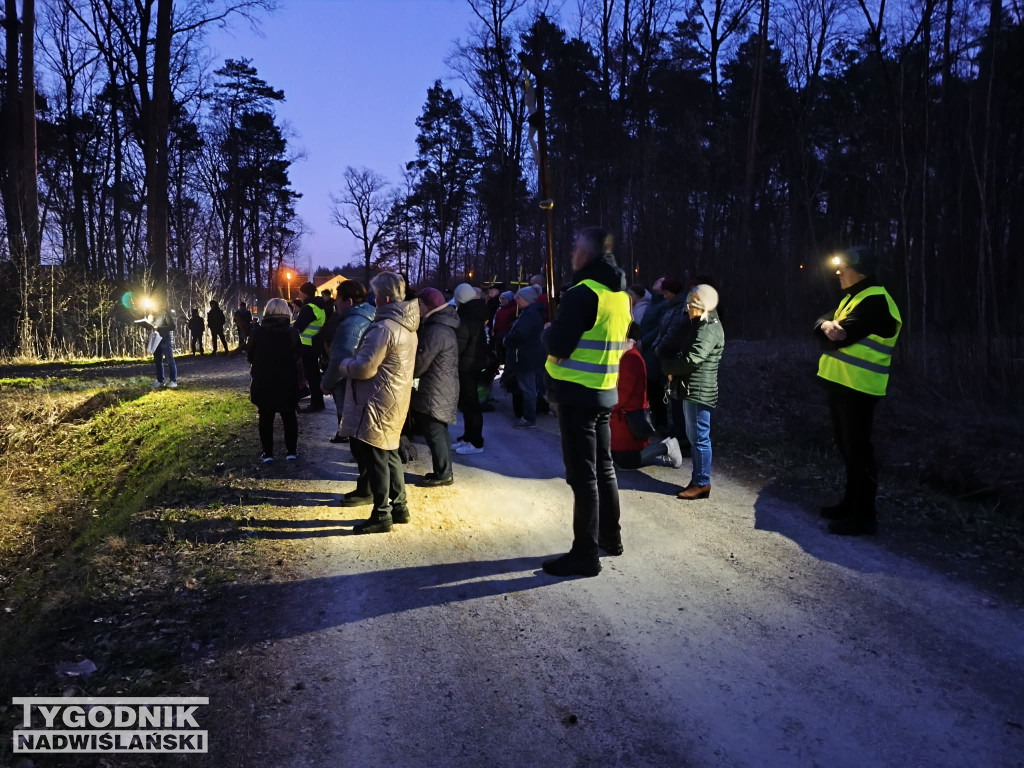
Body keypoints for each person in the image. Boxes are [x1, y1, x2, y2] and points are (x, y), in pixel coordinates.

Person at [541, 226, 633, 577]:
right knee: (604, 469)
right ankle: (611, 537)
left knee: (583, 477)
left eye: (576, 247)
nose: (572, 253)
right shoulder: (619, 296)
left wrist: (548, 332)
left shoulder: (583, 293)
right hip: (604, 390)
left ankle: (585, 554)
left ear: (589, 255)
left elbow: (559, 344)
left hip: (577, 393)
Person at [815, 246, 902, 535]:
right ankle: (850, 505)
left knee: (859, 452)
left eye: (844, 267)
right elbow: (820, 324)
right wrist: (826, 324)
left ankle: (864, 518)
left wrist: (828, 330)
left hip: (859, 389)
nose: (838, 272)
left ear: (861, 271)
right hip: (843, 386)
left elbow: (836, 340)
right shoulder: (854, 297)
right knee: (848, 450)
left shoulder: (876, 301)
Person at [335, 272, 420, 533]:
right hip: (395, 397)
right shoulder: (407, 326)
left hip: (377, 401)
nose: (372, 299)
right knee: (390, 451)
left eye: (374, 295)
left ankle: (382, 514)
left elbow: (364, 368)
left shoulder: (383, 328)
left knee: (376, 456)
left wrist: (344, 364)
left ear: (383, 297)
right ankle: (399, 507)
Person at [662, 285, 724, 499]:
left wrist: (670, 368)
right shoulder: (701, 324)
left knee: (699, 437)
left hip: (699, 389)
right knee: (695, 435)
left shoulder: (708, 328)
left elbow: (693, 359)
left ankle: (702, 482)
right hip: (694, 387)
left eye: (690, 305)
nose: (687, 309)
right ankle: (698, 479)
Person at [611, 324, 683, 470]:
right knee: (614, 459)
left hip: (628, 421)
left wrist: (605, 405)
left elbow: (623, 394)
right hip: (621, 420)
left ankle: (666, 447)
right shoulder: (624, 354)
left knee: (625, 463)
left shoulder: (630, 357)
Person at [411, 288, 460, 487]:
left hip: (436, 387)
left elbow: (421, 361)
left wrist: (407, 372)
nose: (418, 309)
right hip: (442, 385)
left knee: (434, 429)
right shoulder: (441, 325)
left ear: (428, 305)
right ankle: (443, 470)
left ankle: (444, 473)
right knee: (437, 429)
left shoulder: (436, 330)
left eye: (420, 304)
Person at [247, 298, 301, 462]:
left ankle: (268, 453)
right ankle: (291, 451)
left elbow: (250, 356)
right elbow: (298, 356)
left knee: (265, 416)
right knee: (289, 415)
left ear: (267, 312)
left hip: (263, 380)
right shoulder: (292, 332)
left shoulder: (257, 332)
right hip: (287, 379)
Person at [321, 280, 375, 443]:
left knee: (355, 433)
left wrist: (326, 383)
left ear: (349, 302)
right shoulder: (371, 315)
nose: (335, 303)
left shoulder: (351, 324)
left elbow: (340, 359)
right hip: (366, 384)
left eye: (338, 299)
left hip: (350, 386)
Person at [453, 282, 489, 455]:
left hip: (467, 367)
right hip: (474, 364)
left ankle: (476, 442)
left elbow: (459, 346)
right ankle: (468, 437)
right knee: (468, 405)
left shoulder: (466, 318)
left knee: (471, 405)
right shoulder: (475, 313)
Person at [504, 285, 547, 429]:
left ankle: (529, 418)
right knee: (532, 387)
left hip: (526, 356)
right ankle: (530, 415)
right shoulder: (532, 312)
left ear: (527, 299)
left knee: (528, 388)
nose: (517, 300)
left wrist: (507, 339)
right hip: (530, 355)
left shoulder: (530, 314)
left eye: (519, 298)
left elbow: (521, 333)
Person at [653, 278, 689, 441]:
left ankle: (681, 432)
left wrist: (660, 347)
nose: (664, 296)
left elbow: (673, 331)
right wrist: (657, 344)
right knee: (673, 396)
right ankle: (676, 429)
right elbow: (662, 330)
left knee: (678, 397)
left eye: (666, 293)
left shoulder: (680, 309)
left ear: (674, 293)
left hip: (674, 357)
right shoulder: (670, 308)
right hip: (667, 356)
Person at [637, 278, 669, 429]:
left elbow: (659, 327)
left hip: (652, 350)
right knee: (650, 387)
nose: (658, 282)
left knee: (656, 387)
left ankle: (661, 422)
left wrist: (645, 341)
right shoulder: (652, 305)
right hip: (646, 349)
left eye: (661, 281)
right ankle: (655, 420)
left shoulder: (663, 305)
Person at [293, 282, 328, 413]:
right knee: (314, 375)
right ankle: (318, 401)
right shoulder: (320, 307)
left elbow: (298, 327)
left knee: (311, 375)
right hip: (316, 344)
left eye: (300, 292)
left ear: (305, 293)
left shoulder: (308, 308)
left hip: (307, 345)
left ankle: (316, 402)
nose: (299, 295)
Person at [141, 307, 178, 389]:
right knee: (158, 361)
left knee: (170, 360)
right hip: (156, 339)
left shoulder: (164, 313)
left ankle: (173, 381)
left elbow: (172, 326)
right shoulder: (151, 315)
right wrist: (146, 324)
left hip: (165, 339)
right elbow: (152, 327)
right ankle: (160, 380)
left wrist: (159, 328)